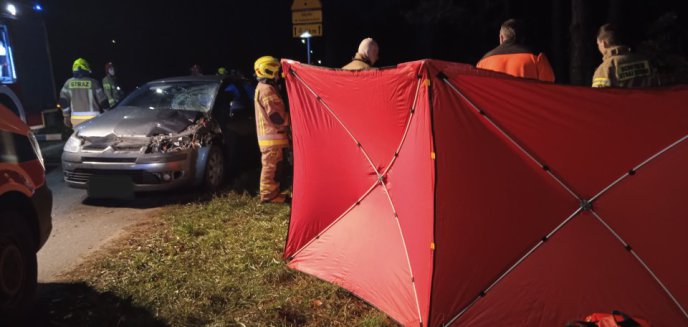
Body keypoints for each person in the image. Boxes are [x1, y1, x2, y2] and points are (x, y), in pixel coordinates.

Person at [253, 56, 290, 204]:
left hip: (272, 137)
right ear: (268, 70)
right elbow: (276, 116)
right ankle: (268, 195)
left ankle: (274, 193)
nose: (277, 75)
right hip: (271, 137)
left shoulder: (264, 88)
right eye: (275, 71)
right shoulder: (267, 90)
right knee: (270, 167)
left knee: (274, 167)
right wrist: (291, 119)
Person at [476, 19, 555, 82]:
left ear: (501, 37)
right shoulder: (537, 57)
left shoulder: (483, 62)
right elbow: (549, 86)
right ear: (522, 38)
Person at [592, 23, 656, 88]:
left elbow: (598, 96)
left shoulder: (605, 68)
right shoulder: (644, 61)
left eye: (598, 44)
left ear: (603, 43)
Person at [59, 58, 108, 128]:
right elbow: (104, 102)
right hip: (94, 120)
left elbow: (63, 101)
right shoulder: (93, 83)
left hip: (76, 121)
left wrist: (66, 116)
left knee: (79, 138)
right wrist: (108, 113)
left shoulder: (68, 84)